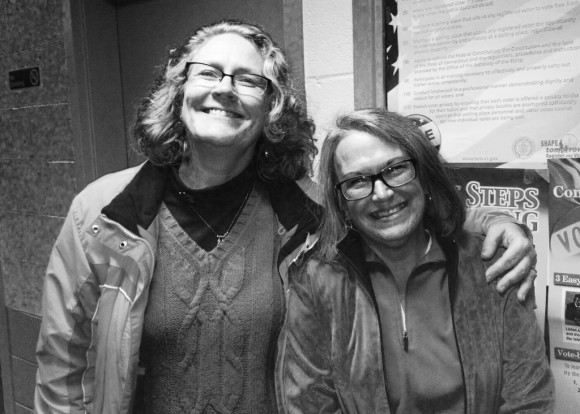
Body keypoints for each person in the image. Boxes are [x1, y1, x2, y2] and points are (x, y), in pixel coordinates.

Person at [34, 20, 536, 414]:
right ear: (179, 89)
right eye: (208, 72)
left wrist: (497, 225)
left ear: (272, 107)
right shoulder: (102, 214)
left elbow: (398, 217)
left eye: (249, 79)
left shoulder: (307, 210)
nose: (225, 88)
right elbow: (63, 362)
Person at [281, 109, 555, 413]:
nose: (382, 193)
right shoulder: (317, 280)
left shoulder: (493, 266)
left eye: (396, 168)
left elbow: (529, 400)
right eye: (357, 180)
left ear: (424, 177)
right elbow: (310, 403)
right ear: (342, 204)